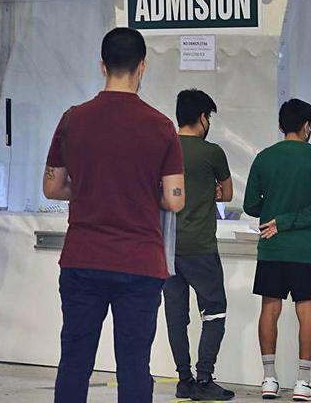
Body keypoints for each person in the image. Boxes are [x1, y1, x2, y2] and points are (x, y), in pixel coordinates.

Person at [43, 27, 185, 403]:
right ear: (142, 68)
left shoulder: (73, 119)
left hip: (82, 257)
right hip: (139, 261)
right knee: (134, 363)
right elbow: (175, 198)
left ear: (102, 66)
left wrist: (87, 188)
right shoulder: (161, 126)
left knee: (74, 359)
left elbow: (53, 188)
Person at [243, 99, 311, 401]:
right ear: (307, 126)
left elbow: (250, 205)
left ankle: (269, 379)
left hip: (272, 248)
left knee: (269, 309)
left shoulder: (264, 158)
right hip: (306, 250)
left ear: (281, 126)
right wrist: (290, 220)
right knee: (306, 310)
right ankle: (303, 382)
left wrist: (275, 216)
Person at [163, 89, 234, 401]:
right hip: (201, 247)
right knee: (214, 311)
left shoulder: (163, 149)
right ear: (203, 118)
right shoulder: (212, 152)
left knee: (176, 315)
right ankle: (204, 380)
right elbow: (228, 193)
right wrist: (210, 191)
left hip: (166, 247)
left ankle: (183, 379)